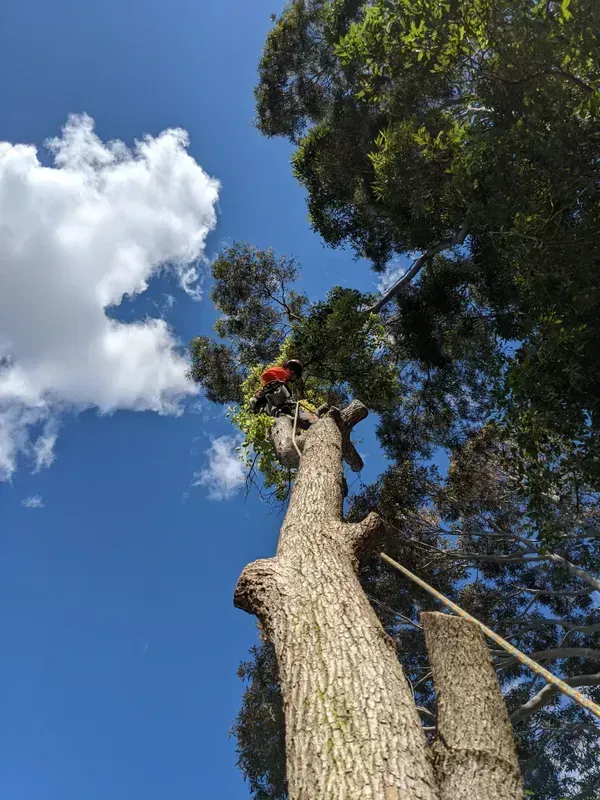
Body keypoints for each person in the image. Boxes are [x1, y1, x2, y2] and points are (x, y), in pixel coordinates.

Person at [249, 359, 315, 428]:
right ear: (286, 367)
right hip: (272, 404)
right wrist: (278, 382)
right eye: (291, 368)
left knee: (299, 413)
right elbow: (265, 374)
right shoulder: (281, 372)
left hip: (284, 405)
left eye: (295, 372)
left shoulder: (285, 385)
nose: (293, 372)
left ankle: (312, 423)